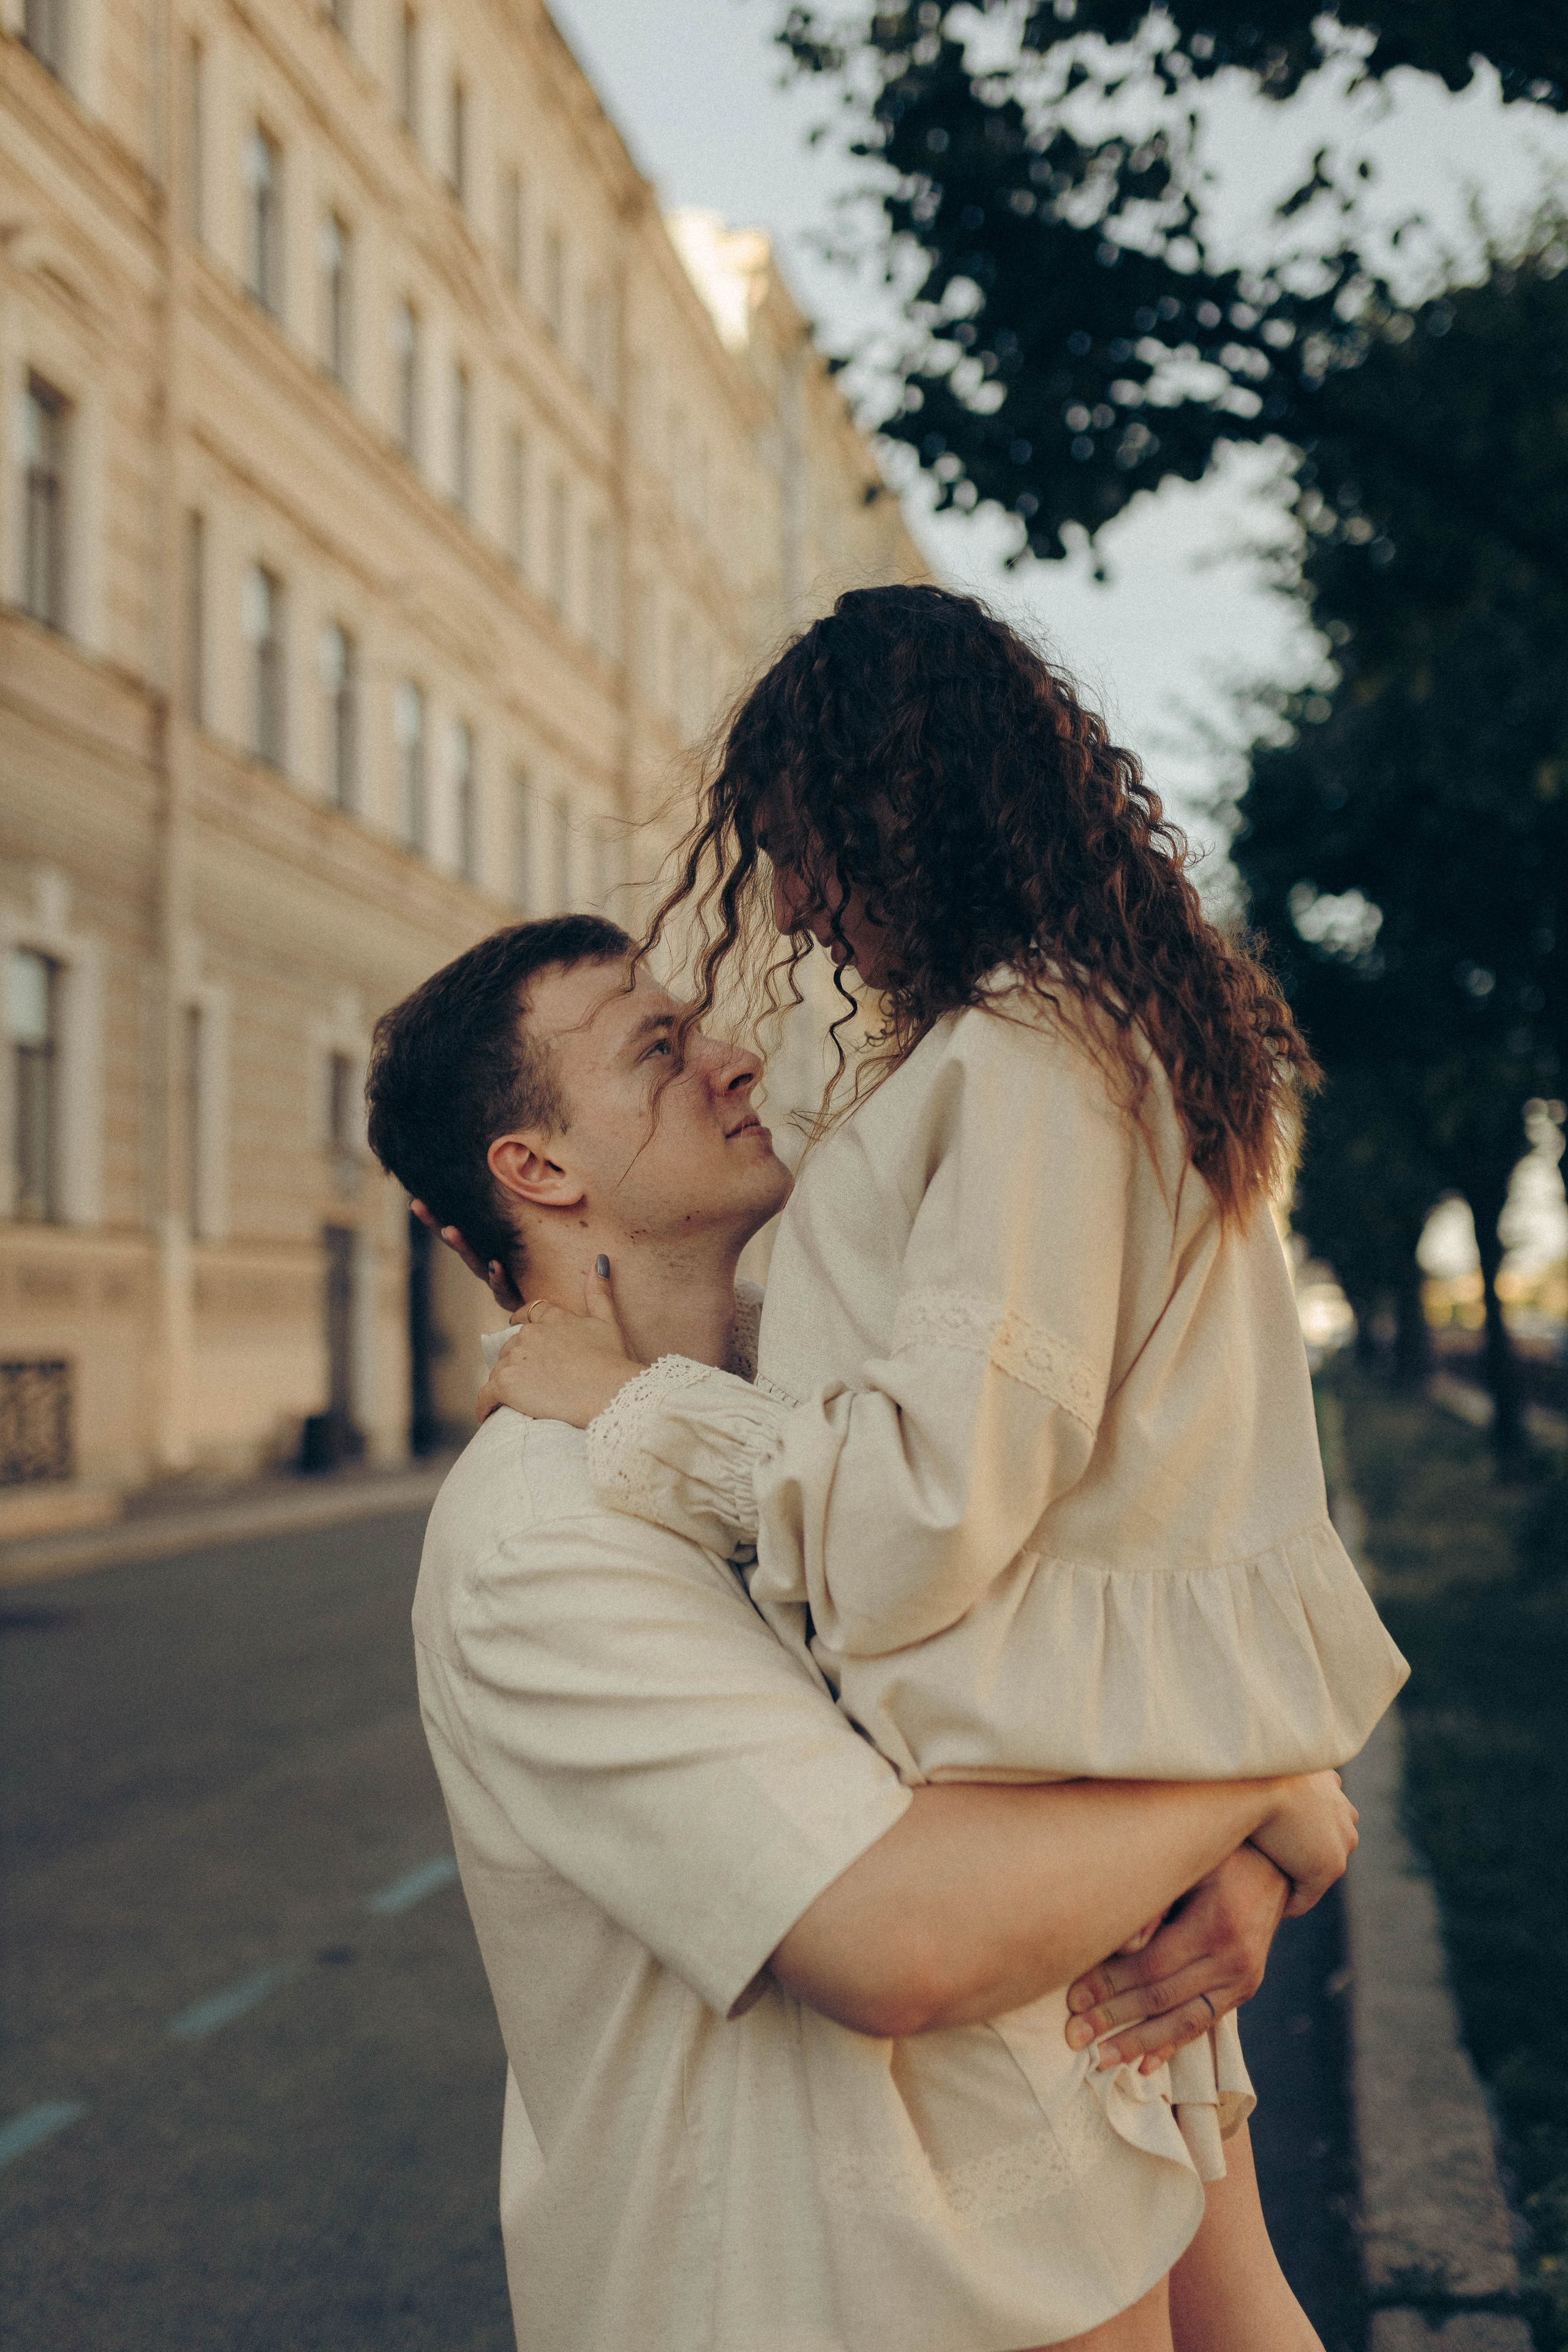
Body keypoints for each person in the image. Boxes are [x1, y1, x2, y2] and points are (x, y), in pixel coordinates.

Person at [475, 589, 1410, 2339]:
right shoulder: (1110, 1035)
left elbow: (929, 1513)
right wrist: (1259, 1780)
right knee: (1216, 2287)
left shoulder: (1032, 1061)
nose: (807, 910)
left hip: (1014, 1776)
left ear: (895, 817)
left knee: (1130, 2301)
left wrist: (639, 1408)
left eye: (803, 851)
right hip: (1076, 1757)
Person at [366, 913, 1358, 2352]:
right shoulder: (544, 1535)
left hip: (1059, 2231)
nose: (733, 1056)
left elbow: (1106, 1680)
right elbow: (898, 1936)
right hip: (796, 2298)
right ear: (538, 1170)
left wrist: (1243, 1840)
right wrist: (1252, 1787)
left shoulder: (878, 1429)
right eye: (657, 1049)